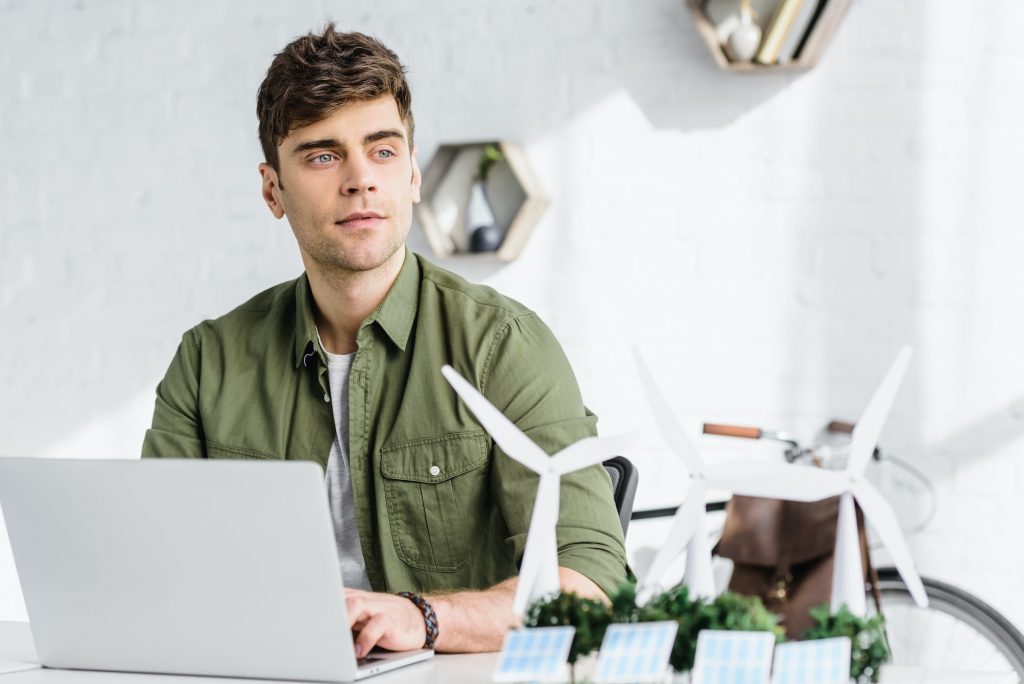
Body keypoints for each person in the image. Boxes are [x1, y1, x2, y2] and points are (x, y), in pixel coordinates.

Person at [142, 24, 627, 656]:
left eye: (383, 150)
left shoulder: (502, 344)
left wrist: (420, 618)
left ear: (414, 175)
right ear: (272, 190)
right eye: (322, 156)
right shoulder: (208, 362)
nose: (359, 180)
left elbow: (591, 582)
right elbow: (152, 572)